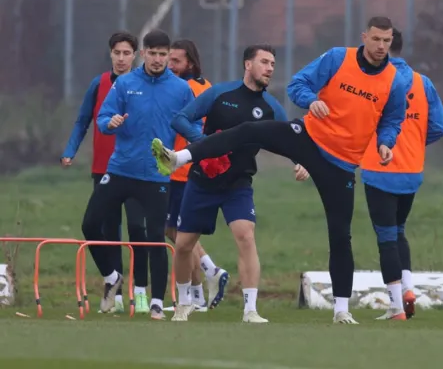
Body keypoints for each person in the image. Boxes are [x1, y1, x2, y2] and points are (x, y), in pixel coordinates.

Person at [151, 16, 412, 324]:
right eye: (377, 39)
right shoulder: (338, 58)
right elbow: (298, 84)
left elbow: (392, 120)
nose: (382, 46)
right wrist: (311, 100)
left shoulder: (395, 79)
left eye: (387, 41)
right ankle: (179, 158)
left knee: (341, 234)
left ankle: (341, 311)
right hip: (309, 137)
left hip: (341, 163)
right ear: (364, 37)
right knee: (250, 129)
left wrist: (385, 142)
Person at [154, 43, 309, 323]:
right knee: (184, 245)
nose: (270, 68)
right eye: (264, 62)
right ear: (248, 65)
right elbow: (181, 119)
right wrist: (206, 144)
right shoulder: (220, 94)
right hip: (202, 180)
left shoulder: (270, 106)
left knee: (246, 237)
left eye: (273, 63)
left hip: (238, 183)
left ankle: (250, 310)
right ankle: (183, 303)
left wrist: (299, 161)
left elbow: (290, 140)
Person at [80, 29, 195, 320]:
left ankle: (157, 301)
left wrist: (200, 144)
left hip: (156, 175)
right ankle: (111, 276)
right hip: (120, 170)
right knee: (90, 224)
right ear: (143, 54)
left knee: (154, 237)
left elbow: (193, 125)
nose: (157, 60)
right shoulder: (126, 84)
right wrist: (111, 122)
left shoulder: (181, 90)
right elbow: (103, 117)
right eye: (152, 54)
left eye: (162, 55)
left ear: (169, 56)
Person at [61, 31, 150, 314]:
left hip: (137, 170)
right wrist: (70, 150)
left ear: (135, 55)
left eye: (127, 53)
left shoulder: (143, 85)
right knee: (108, 231)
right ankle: (115, 289)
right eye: (117, 53)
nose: (122, 58)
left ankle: (142, 293)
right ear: (110, 54)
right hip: (104, 169)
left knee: (138, 227)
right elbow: (82, 120)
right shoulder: (98, 84)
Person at [360, 28, 443, 320]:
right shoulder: (423, 83)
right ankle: (408, 289)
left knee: (385, 237)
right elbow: (438, 127)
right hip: (411, 171)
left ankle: (397, 306)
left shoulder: (373, 81)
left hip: (378, 169)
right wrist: (413, 144)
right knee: (398, 232)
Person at [166, 39, 229, 312]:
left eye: (175, 61)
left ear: (189, 62)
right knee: (179, 233)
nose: (170, 66)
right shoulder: (206, 85)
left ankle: (208, 273)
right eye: (169, 60)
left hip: (181, 170)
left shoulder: (186, 88)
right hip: (190, 167)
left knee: (178, 234)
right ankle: (198, 294)